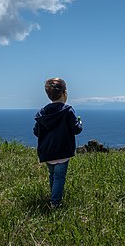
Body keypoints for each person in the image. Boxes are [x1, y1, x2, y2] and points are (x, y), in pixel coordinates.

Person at [33, 78, 82, 208]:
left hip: (47, 152)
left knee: (52, 175)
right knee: (59, 177)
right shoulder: (68, 111)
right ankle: (55, 203)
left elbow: (36, 132)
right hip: (63, 151)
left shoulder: (42, 113)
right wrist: (80, 123)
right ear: (64, 93)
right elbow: (76, 130)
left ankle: (53, 197)